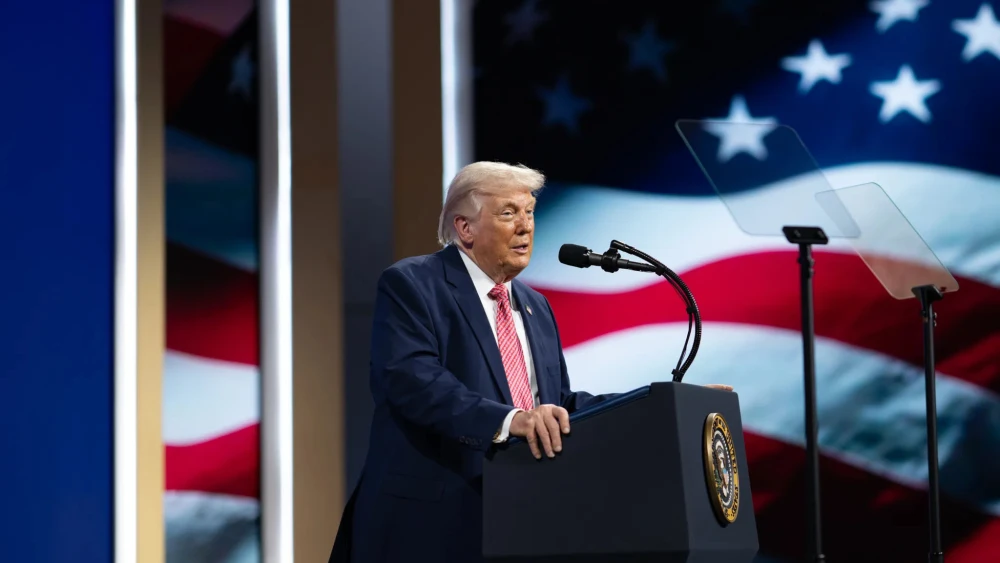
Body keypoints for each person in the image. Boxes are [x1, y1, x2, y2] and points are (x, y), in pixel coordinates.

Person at [330, 162, 730, 563]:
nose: (525, 226)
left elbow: (560, 404)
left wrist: (666, 405)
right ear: (465, 228)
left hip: (519, 523)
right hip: (429, 526)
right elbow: (413, 381)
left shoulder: (535, 305)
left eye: (530, 211)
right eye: (508, 213)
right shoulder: (414, 283)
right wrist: (509, 420)